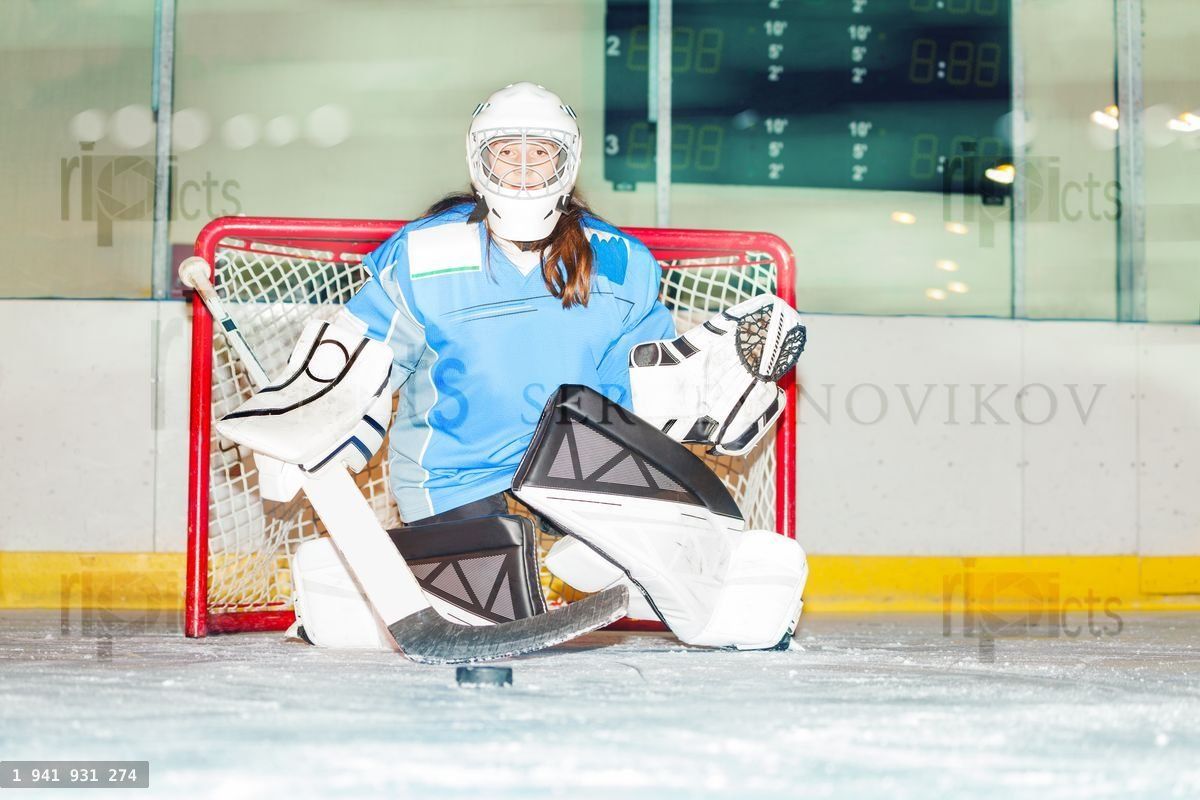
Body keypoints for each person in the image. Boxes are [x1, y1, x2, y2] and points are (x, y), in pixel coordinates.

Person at [341, 82, 676, 526]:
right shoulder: (424, 254)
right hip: (452, 475)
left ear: (566, 160)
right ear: (478, 158)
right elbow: (360, 360)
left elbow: (641, 382)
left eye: (539, 152)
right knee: (482, 573)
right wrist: (321, 415)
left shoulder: (618, 261)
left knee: (637, 555)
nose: (522, 167)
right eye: (505, 151)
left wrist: (690, 399)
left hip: (580, 463)